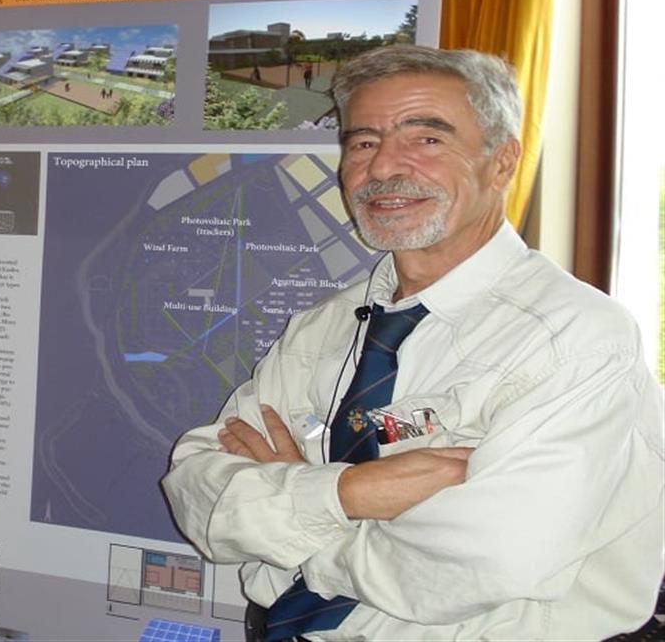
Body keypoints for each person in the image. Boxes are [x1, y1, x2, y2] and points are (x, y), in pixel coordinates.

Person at [162, 45, 664, 641]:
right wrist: (351, 492)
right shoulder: (322, 326)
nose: (382, 168)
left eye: (426, 139)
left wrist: (296, 519)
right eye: (363, 142)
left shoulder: (577, 340)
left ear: (501, 163)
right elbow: (196, 488)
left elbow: (485, 561)